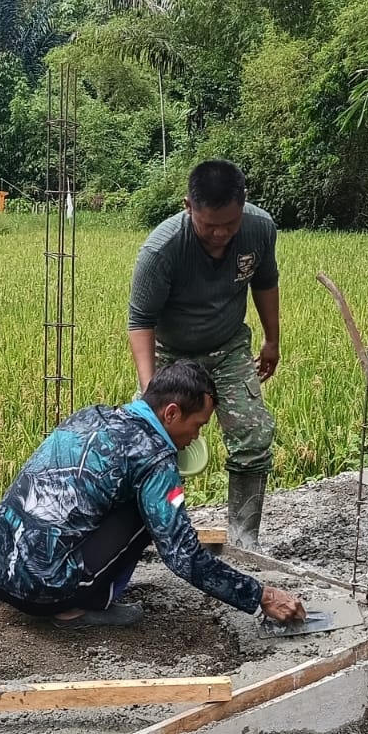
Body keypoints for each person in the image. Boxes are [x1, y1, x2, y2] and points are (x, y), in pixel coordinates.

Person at [0, 359, 306, 628]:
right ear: (171, 413)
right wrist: (260, 595)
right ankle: (75, 609)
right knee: (152, 514)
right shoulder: (153, 457)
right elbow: (183, 556)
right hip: (41, 592)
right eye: (198, 426)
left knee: (50, 498)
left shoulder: (91, 416)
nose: (196, 437)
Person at [127, 159, 281, 551]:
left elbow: (265, 283)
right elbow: (140, 321)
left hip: (228, 346)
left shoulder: (259, 229)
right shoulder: (162, 250)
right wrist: (151, 390)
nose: (221, 233)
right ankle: (150, 531)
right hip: (172, 352)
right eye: (209, 225)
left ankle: (244, 538)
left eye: (230, 223)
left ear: (243, 206)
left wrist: (272, 340)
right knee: (149, 442)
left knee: (253, 434)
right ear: (188, 207)